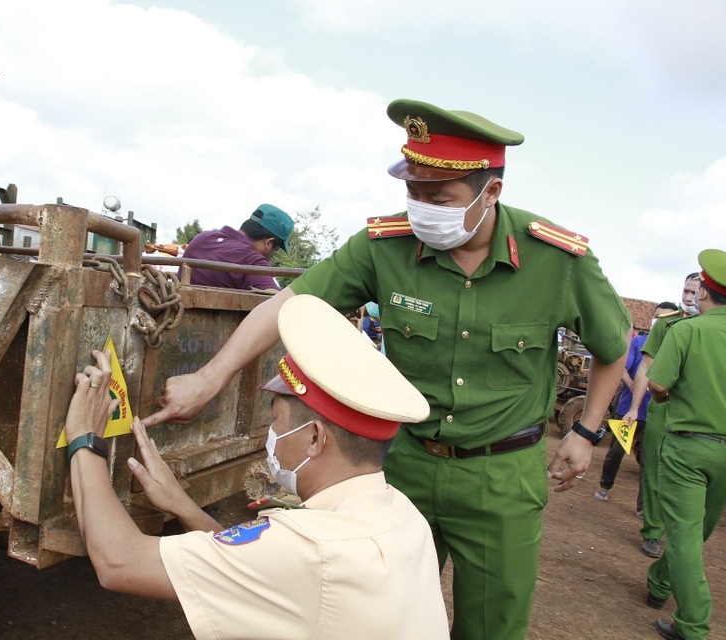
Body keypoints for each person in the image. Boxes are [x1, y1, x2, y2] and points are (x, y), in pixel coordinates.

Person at [144, 99, 632, 640]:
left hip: (503, 477)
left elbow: (614, 345)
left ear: (490, 191)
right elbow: (288, 304)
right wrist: (212, 376)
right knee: (379, 611)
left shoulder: (558, 260)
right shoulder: (385, 246)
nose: (421, 208)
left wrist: (586, 432)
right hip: (404, 467)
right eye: (413, 191)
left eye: (438, 197)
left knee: (495, 625)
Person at [63, 294, 450, 639]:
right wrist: (183, 505)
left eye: (277, 421)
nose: (271, 433)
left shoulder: (313, 550)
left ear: (315, 439)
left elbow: (119, 562)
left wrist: (84, 434)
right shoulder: (401, 514)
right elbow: (264, 569)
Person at [644, 249, 726, 640]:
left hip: (688, 448)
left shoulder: (687, 330)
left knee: (683, 533)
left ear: (705, 293)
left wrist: (664, 400)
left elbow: (657, 385)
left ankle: (692, 625)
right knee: (699, 530)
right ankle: (660, 583)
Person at [624, 274, 702, 558]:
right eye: (686, 290)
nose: (689, 297)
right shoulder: (667, 325)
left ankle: (683, 532)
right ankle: (653, 531)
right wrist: (634, 408)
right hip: (661, 406)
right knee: (654, 469)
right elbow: (645, 368)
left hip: (699, 412)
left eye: (695, 291)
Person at [594, 330, 649, 511]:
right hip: (627, 409)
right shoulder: (639, 342)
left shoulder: (674, 345)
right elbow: (621, 368)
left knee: (648, 462)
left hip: (654, 415)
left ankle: (643, 507)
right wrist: (633, 385)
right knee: (616, 452)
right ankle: (604, 485)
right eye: (657, 316)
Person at [180, 204, 294, 292]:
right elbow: (274, 301)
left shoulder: (201, 238)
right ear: (269, 243)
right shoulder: (254, 261)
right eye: (275, 250)